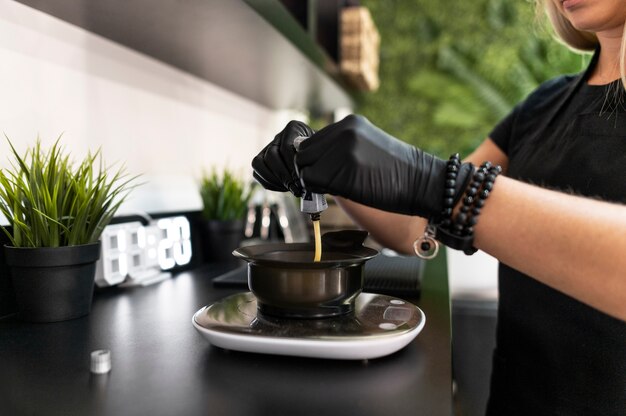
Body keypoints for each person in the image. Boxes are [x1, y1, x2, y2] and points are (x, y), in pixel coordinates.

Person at [252, 0, 626, 414]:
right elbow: (421, 224)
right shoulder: (543, 106)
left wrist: (432, 182)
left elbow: (443, 196)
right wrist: (328, 167)